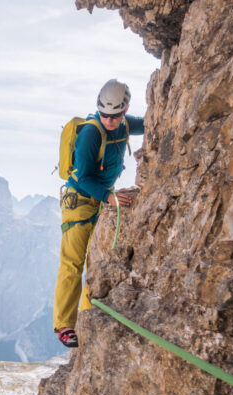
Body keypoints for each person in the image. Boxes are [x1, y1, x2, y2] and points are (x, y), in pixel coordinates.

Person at [53, 79, 144, 348]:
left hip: (103, 201)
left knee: (97, 264)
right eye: (104, 115)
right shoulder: (92, 133)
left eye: (115, 116)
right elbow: (81, 177)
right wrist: (109, 197)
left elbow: (151, 121)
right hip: (80, 202)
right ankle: (65, 326)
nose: (109, 120)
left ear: (124, 110)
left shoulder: (125, 124)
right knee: (73, 263)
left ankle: (86, 318)